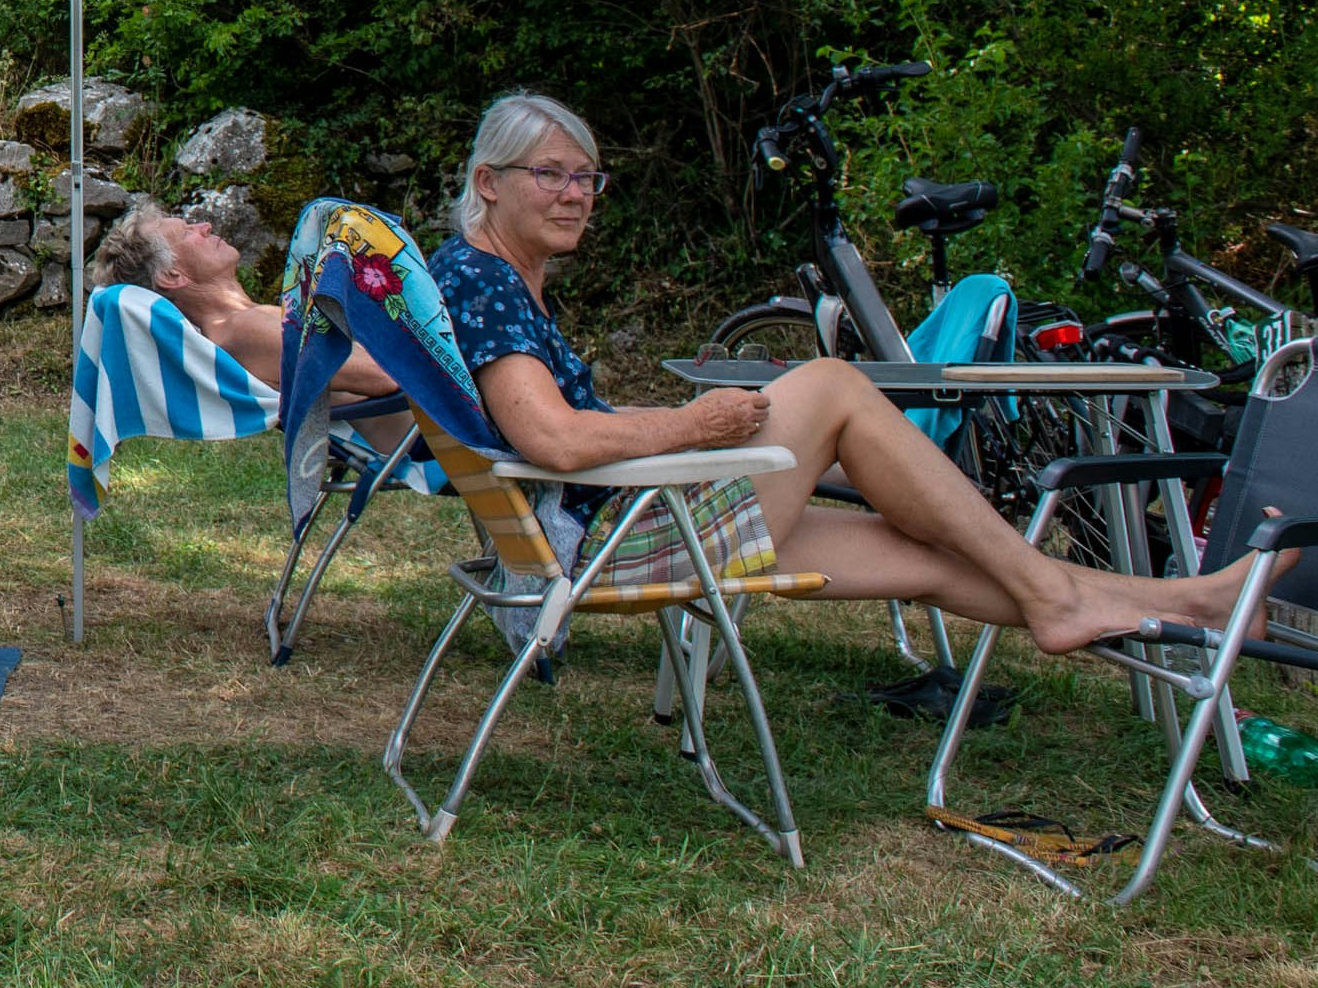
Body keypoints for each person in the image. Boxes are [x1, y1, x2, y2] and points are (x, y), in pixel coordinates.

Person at [434, 90, 1256, 654]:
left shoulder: (484, 278)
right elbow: (552, 439)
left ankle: (1177, 605)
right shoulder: (483, 282)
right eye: (552, 174)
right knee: (832, 384)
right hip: (622, 539)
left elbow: (552, 420)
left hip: (621, 522)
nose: (575, 194)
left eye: (586, 177)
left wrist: (679, 421)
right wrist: (694, 425)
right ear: (488, 183)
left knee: (923, 552)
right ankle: (1069, 600)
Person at [95, 201, 396, 398]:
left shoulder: (240, 324)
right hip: (429, 428)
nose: (205, 226)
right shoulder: (243, 328)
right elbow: (384, 376)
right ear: (173, 276)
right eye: (187, 233)